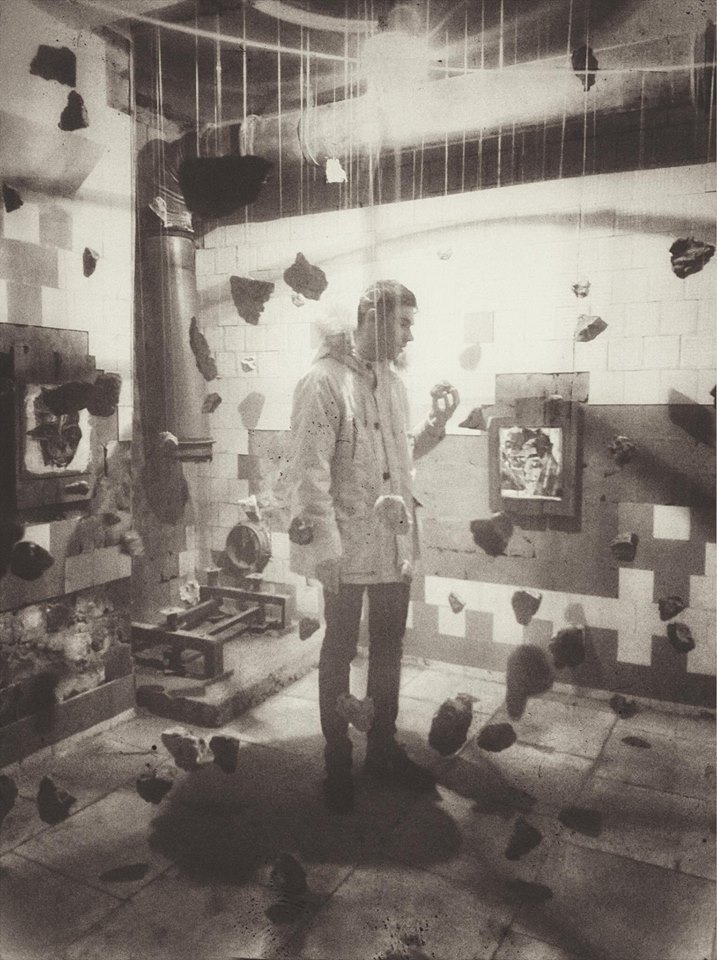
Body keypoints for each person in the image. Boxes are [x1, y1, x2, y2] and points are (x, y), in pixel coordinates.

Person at [287, 280, 460, 813]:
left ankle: (382, 749)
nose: (409, 335)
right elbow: (308, 472)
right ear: (370, 316)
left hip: (391, 542)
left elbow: (401, 458)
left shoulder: (393, 383)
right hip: (344, 547)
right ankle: (337, 761)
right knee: (339, 649)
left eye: (410, 324)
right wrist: (325, 551)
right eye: (403, 323)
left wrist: (436, 424)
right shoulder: (322, 381)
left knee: (389, 648)